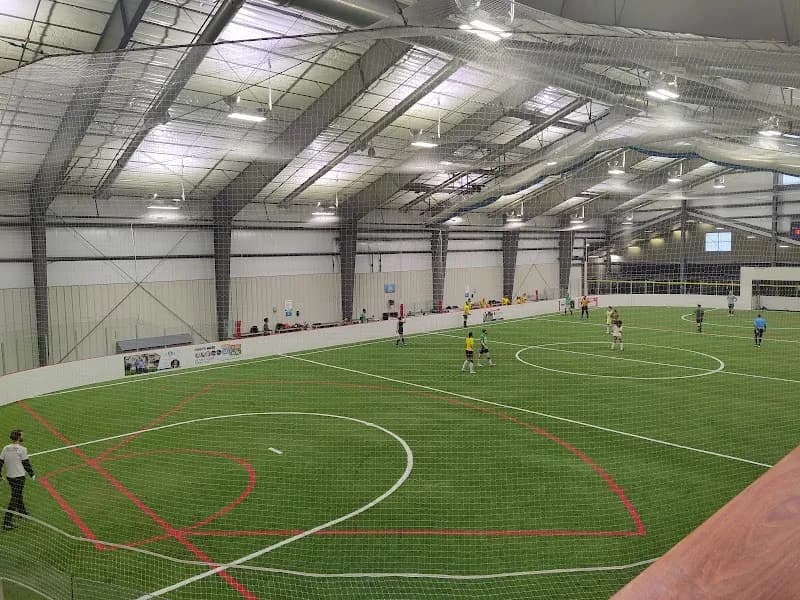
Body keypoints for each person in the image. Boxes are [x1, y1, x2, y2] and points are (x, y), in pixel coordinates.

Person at [1, 430, 35, 531]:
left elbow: (0, 462)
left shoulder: (5, 448)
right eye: (22, 435)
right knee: (15, 497)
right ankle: (7, 522)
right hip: (19, 477)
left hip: (10, 477)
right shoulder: (22, 449)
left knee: (18, 494)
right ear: (19, 437)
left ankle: (22, 512)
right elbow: (26, 463)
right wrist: (32, 474)